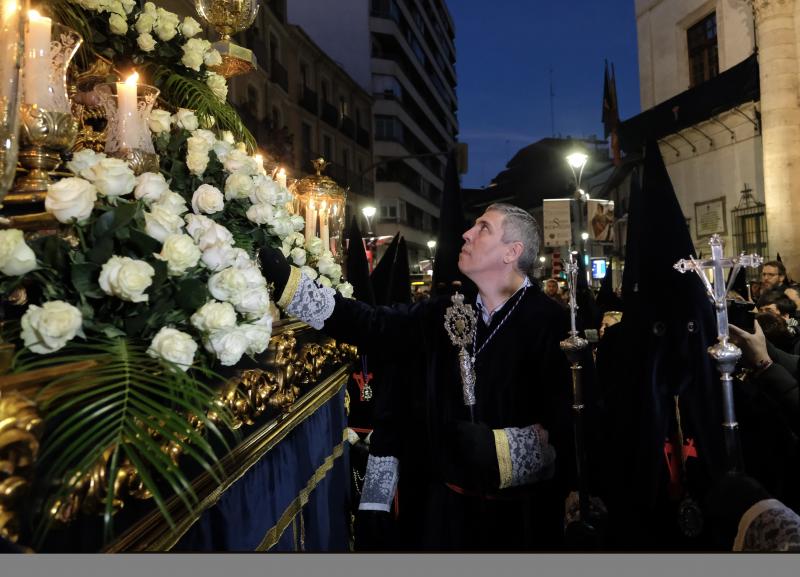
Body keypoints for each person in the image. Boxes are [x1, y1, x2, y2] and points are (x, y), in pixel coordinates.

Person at [259, 203, 573, 550]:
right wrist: (293, 286)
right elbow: (373, 324)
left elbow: (573, 430)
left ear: (512, 252)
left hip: (520, 521)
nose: (467, 234)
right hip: (442, 515)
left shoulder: (552, 323)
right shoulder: (446, 309)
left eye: (483, 228)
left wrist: (499, 449)